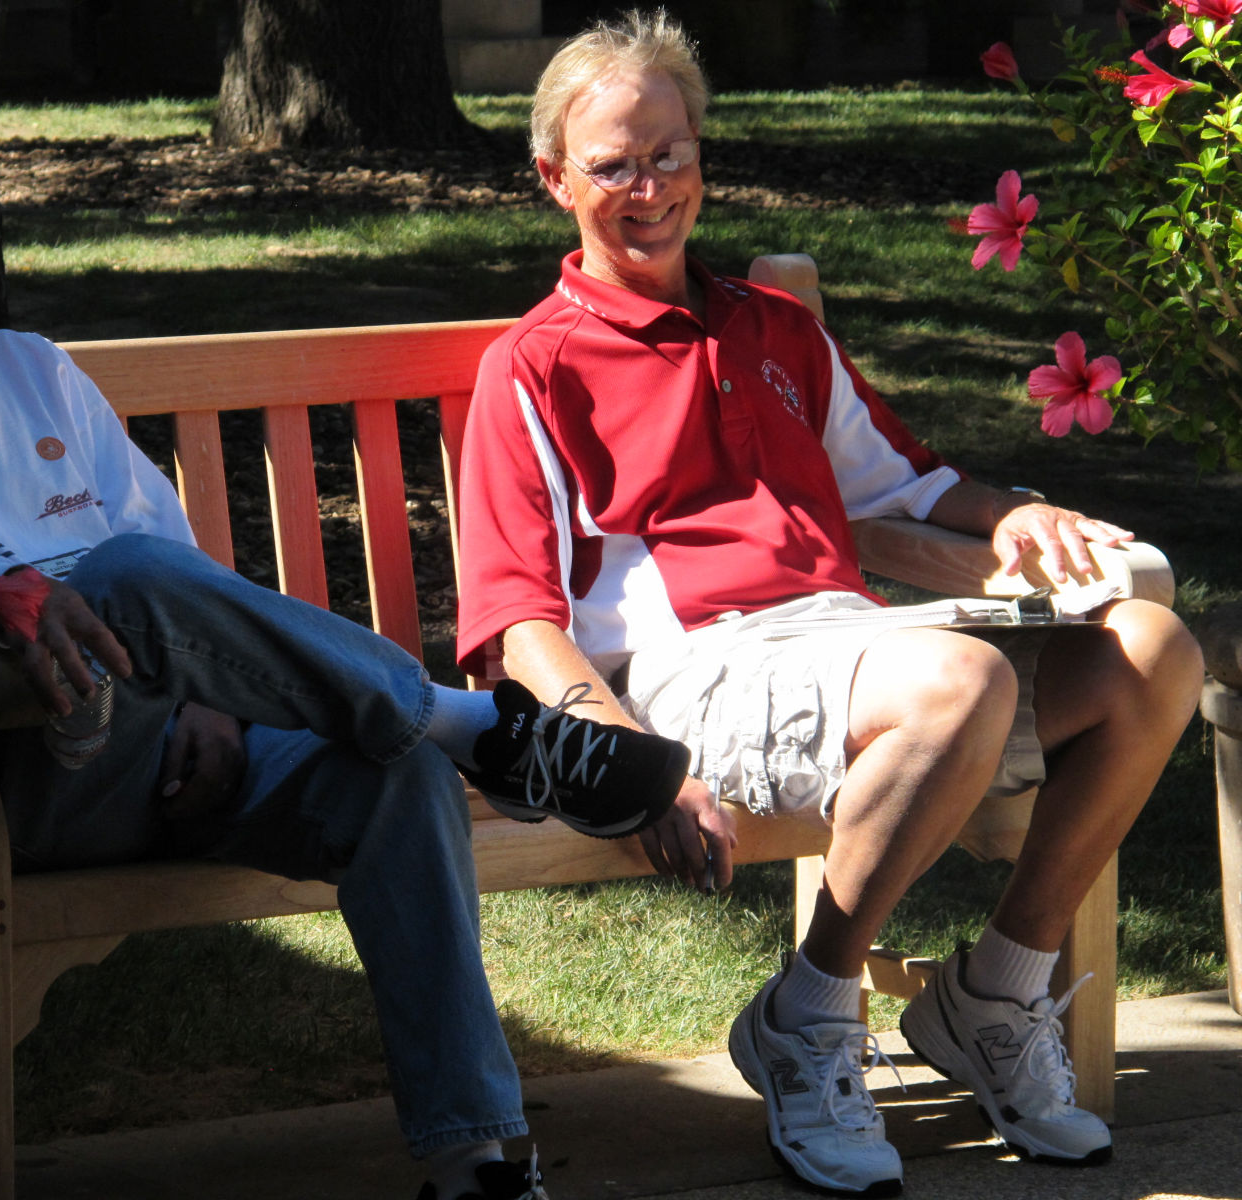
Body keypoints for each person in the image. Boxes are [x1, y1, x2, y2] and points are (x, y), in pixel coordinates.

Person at [0, 104, 694, 1200]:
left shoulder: (30, 369)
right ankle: (476, 722)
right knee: (120, 582)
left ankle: (472, 1158)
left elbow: (171, 554)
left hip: (161, 736)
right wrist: (14, 601)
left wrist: (220, 705)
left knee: (392, 775)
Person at [454, 12, 1205, 1197]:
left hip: (844, 651)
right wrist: (634, 756)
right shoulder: (533, 369)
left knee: (1152, 649)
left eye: (669, 155)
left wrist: (1008, 515)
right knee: (964, 679)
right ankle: (810, 1018)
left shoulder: (773, 330)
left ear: (701, 153)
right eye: (611, 165)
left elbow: (904, 489)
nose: (648, 189)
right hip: (688, 677)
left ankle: (996, 993)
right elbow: (516, 619)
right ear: (553, 179)